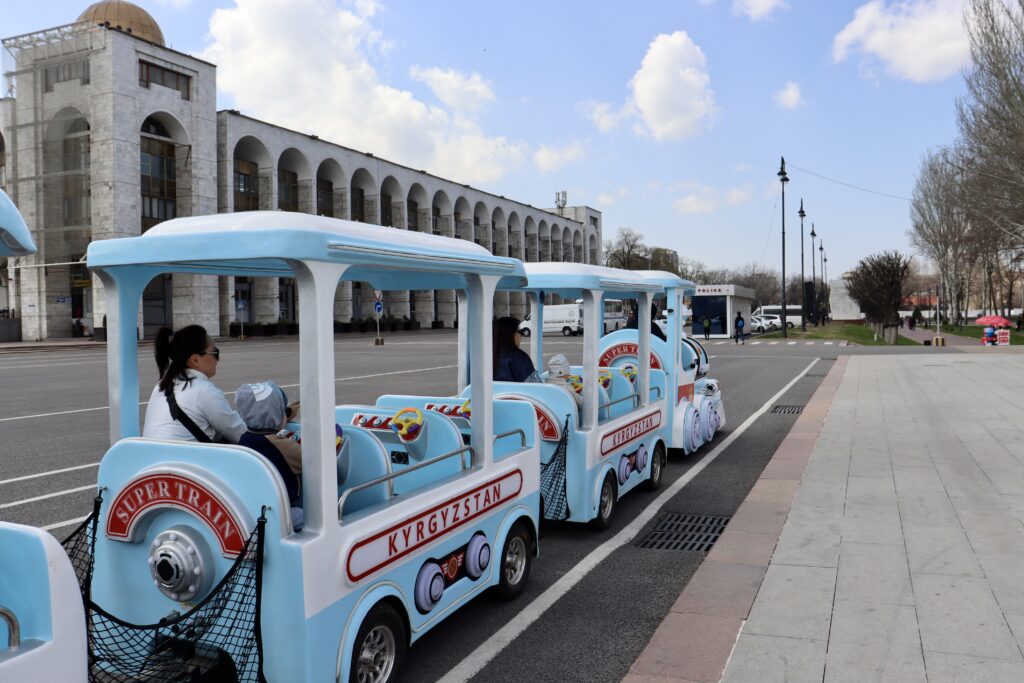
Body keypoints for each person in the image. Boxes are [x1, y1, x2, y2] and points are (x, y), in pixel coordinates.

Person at [143, 325, 247, 443]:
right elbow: (240, 434)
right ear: (195, 360)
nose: (218, 359)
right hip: (184, 460)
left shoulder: (161, 386)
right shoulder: (204, 391)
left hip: (152, 458)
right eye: (215, 353)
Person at [235, 381, 304, 529]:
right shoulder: (283, 446)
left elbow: (265, 419)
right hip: (285, 512)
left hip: (255, 506)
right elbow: (314, 463)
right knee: (324, 516)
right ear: (276, 413)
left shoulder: (244, 438)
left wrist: (285, 414)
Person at [493, 316, 541, 382]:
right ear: (512, 334)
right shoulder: (520, 358)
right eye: (520, 332)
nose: (521, 336)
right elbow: (536, 385)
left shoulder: (486, 357)